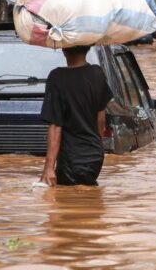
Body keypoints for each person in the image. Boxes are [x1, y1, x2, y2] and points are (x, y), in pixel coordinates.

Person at [39, 45, 112, 186]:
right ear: (88, 48)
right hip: (95, 156)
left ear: (63, 50)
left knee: (66, 202)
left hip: (71, 158)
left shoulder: (57, 77)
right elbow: (101, 118)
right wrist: (98, 146)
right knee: (88, 199)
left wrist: (48, 168)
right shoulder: (97, 73)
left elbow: (55, 126)